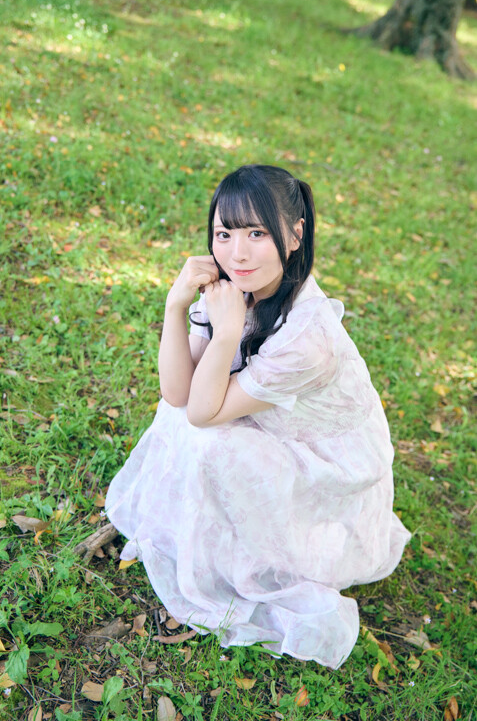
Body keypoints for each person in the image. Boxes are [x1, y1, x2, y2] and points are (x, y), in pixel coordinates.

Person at [106, 164, 410, 669]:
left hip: (328, 462)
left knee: (210, 438)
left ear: (294, 235)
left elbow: (202, 413)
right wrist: (176, 305)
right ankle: (216, 534)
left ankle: (259, 557)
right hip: (275, 424)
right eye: (224, 234)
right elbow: (177, 392)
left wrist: (226, 333)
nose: (237, 254)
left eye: (257, 234)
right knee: (184, 414)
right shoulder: (233, 287)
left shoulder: (308, 340)